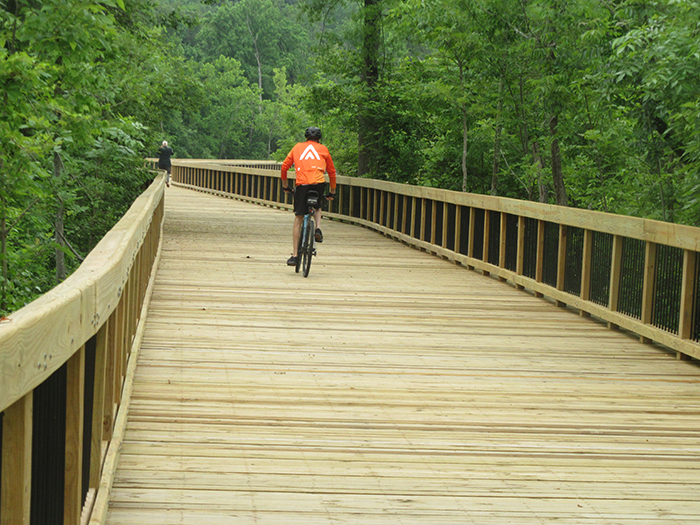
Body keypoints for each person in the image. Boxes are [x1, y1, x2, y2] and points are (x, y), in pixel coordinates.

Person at [281, 127, 336, 266]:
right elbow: (331, 172)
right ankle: (317, 228)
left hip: (302, 184)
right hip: (318, 183)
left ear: (306, 137)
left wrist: (285, 185)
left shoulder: (297, 147)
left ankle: (294, 255)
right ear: (319, 138)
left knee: (299, 217)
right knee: (317, 206)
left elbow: (284, 167)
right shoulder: (323, 149)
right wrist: (332, 192)